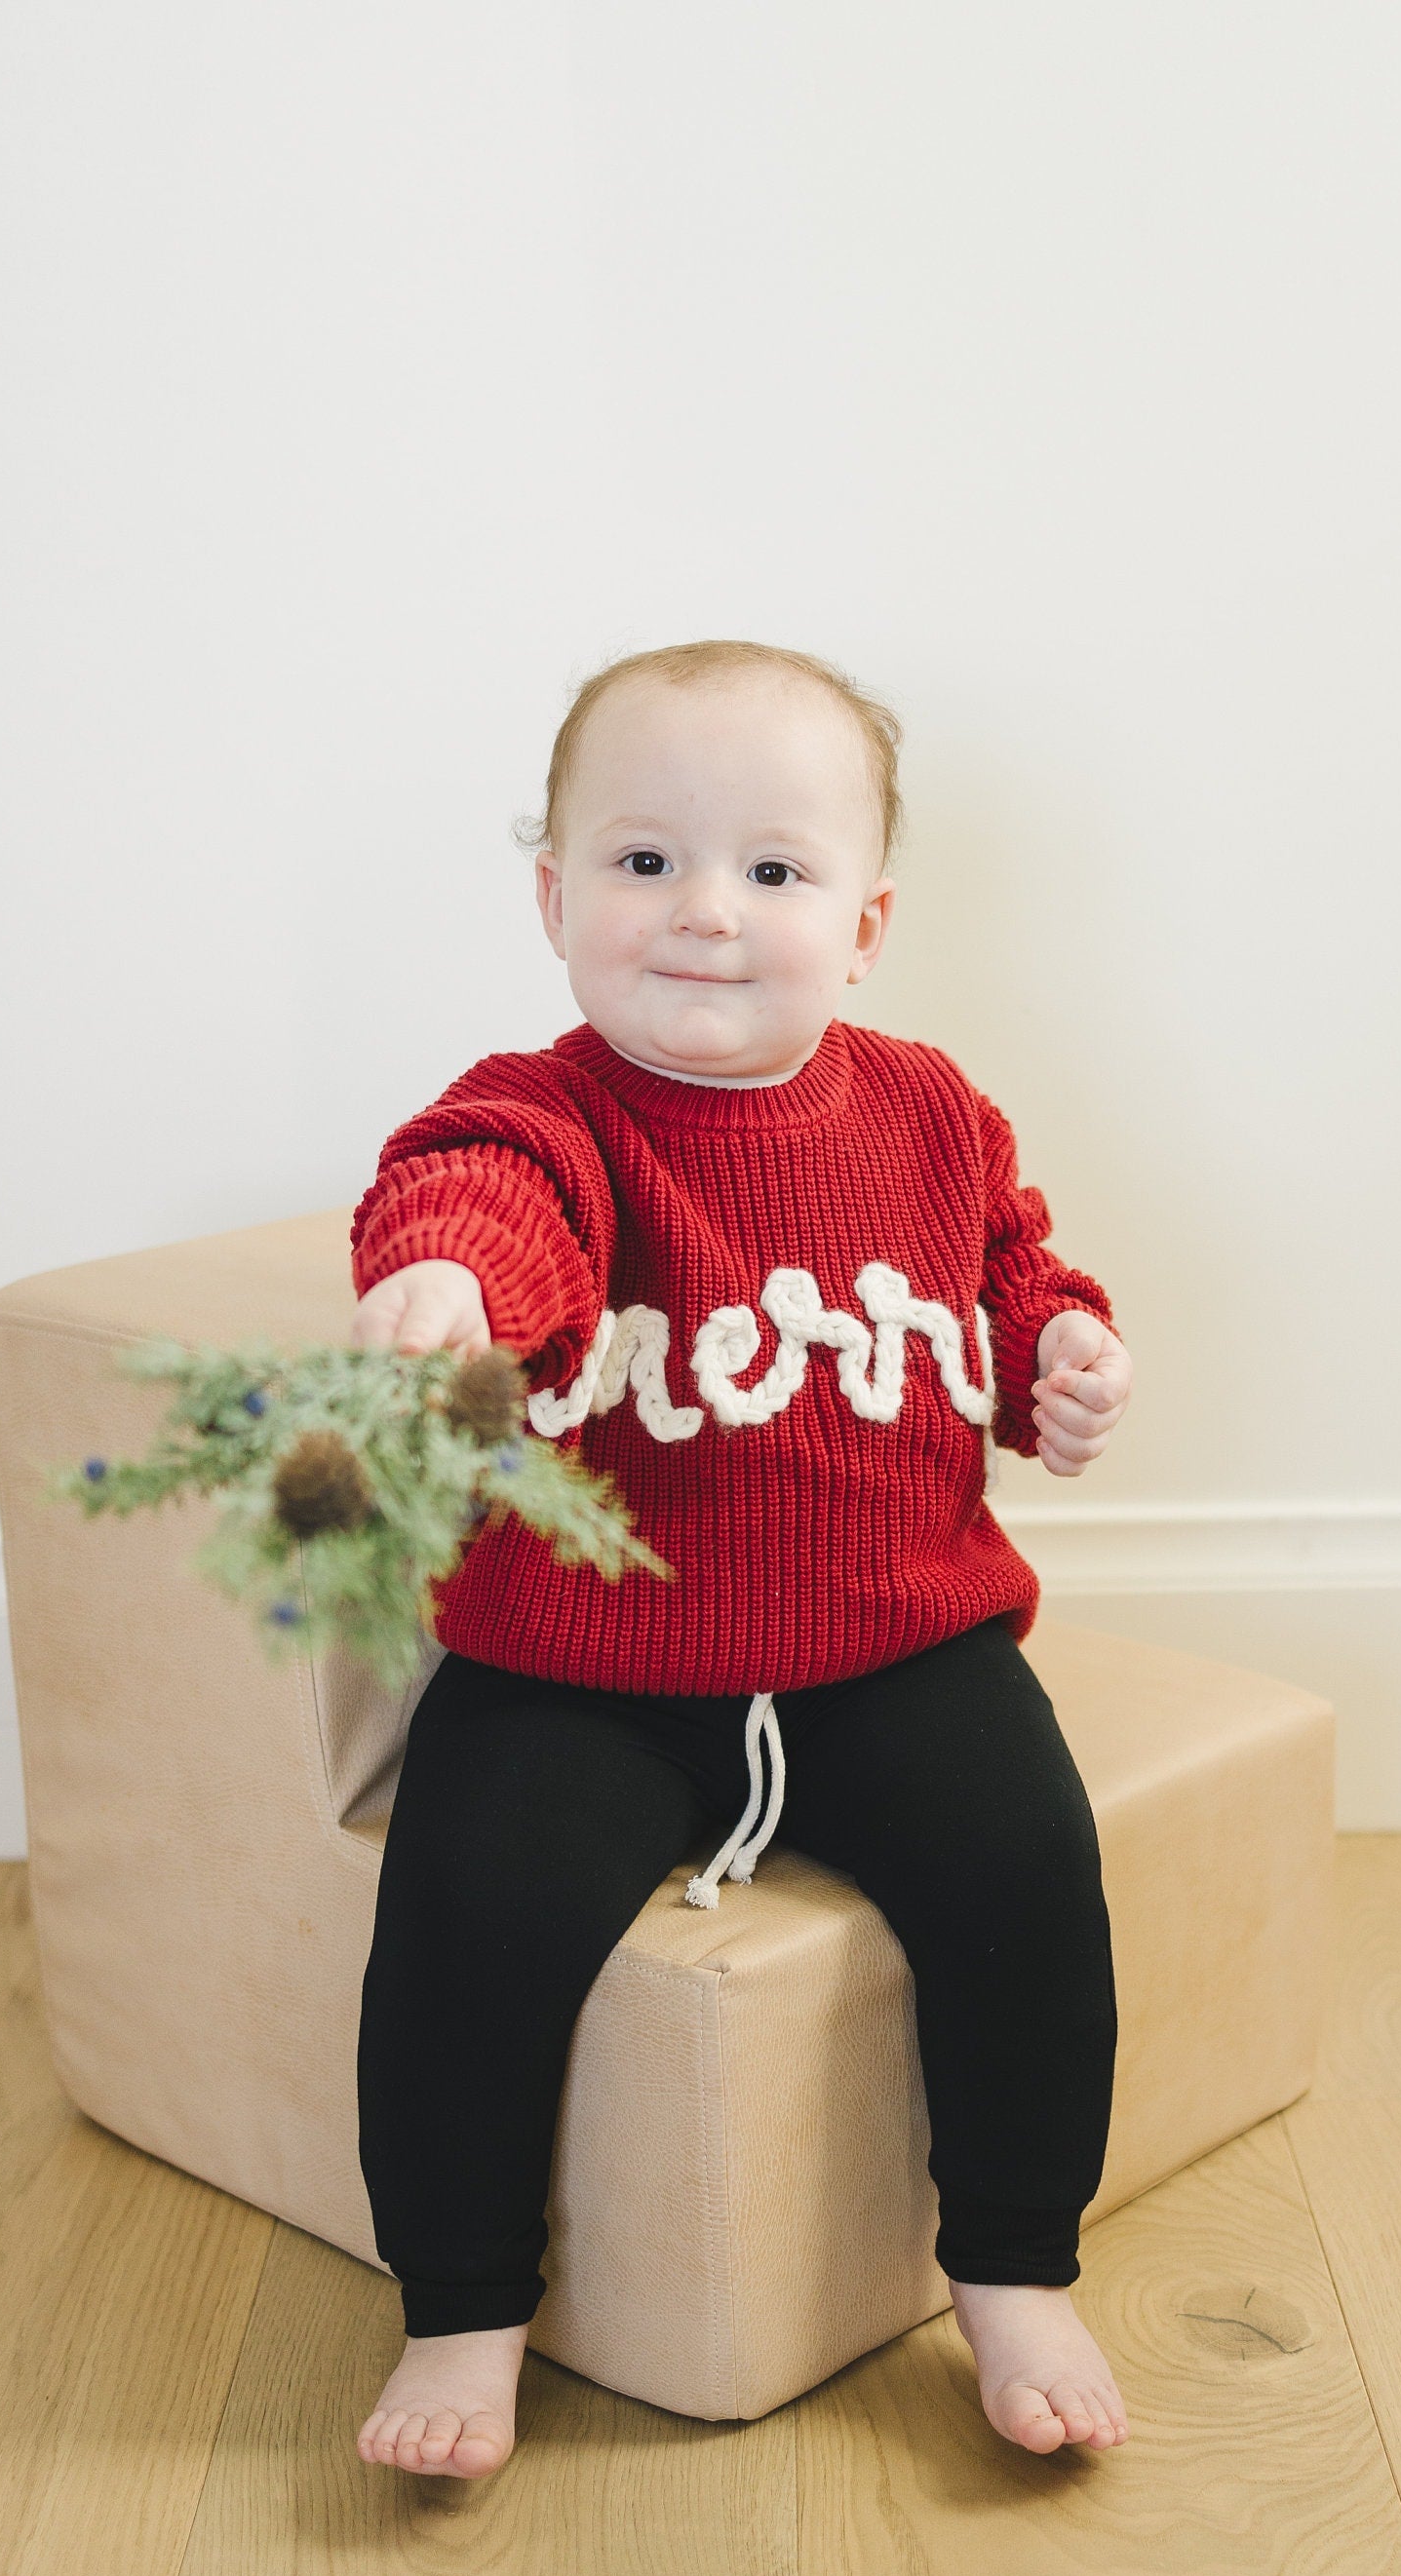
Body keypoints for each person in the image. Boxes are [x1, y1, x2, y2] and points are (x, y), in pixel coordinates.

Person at [349, 639, 1134, 2480]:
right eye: (643, 863)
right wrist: (451, 1283)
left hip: (893, 1646)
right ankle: (462, 2309)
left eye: (773, 873)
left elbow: (1007, 1264)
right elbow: (477, 1190)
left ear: (861, 926)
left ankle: (1014, 2262)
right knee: (462, 1927)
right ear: (555, 900)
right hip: (581, 1667)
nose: (706, 913)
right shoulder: (551, 1113)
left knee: (1030, 1872)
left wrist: (1058, 1355)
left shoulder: (931, 1110)